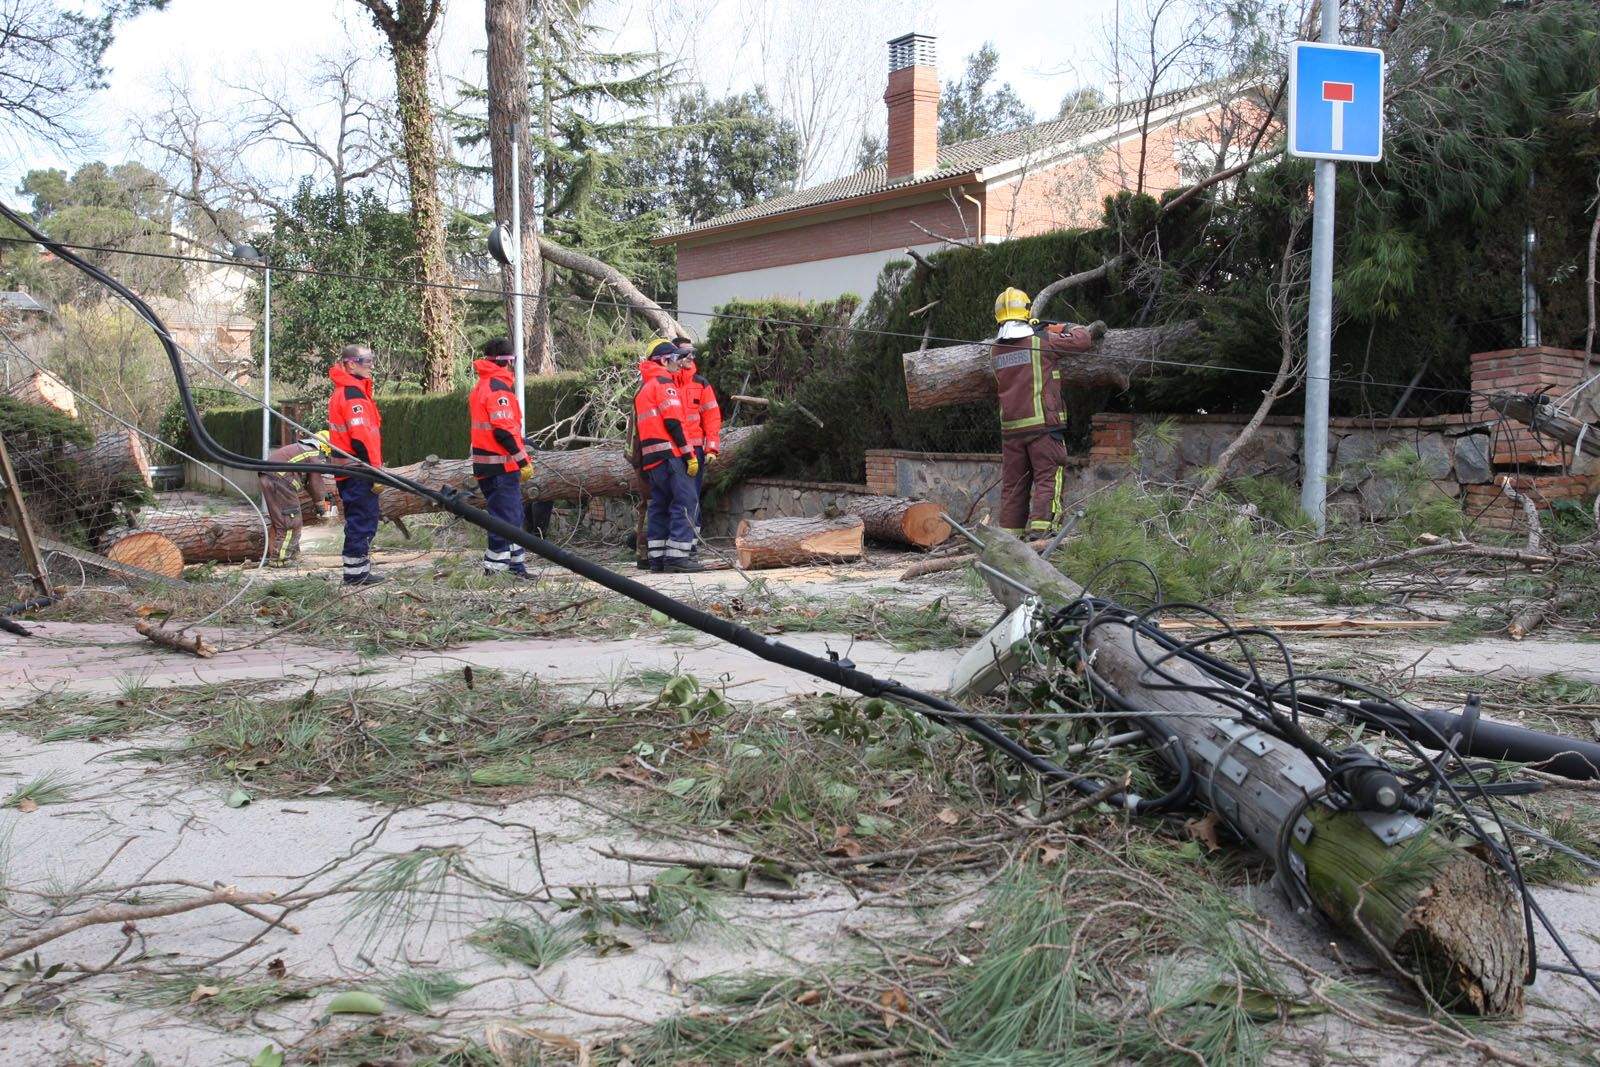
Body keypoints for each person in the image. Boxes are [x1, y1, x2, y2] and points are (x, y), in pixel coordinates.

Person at [990, 287, 1104, 537]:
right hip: (1043, 426)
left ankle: (1010, 538)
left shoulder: (995, 349)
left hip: (1011, 430)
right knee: (1048, 477)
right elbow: (1082, 339)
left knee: (1014, 485)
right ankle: (1042, 534)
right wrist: (1059, 326)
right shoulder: (1040, 341)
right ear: (1026, 311)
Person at [632, 339, 702, 572]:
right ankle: (677, 557)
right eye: (675, 359)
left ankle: (658, 558)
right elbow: (673, 422)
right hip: (671, 456)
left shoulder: (644, 388)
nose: (679, 363)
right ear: (663, 360)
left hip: (653, 460)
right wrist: (689, 455)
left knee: (659, 505)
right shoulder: (664, 384)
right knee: (685, 502)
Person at [470, 336, 536, 578]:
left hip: (490, 466)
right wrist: (523, 460)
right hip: (500, 467)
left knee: (512, 517)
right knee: (503, 519)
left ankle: (516, 567)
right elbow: (503, 431)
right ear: (509, 361)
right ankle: (496, 571)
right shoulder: (498, 389)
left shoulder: (483, 386)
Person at [327, 343, 385, 586]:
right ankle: (356, 574)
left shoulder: (351, 391)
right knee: (362, 519)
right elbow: (361, 437)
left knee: (361, 518)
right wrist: (374, 470)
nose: (371, 364)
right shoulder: (351, 394)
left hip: (352, 470)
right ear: (351, 363)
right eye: (366, 360)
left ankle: (357, 570)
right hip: (357, 470)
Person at [671, 336, 721, 554]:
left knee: (691, 496)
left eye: (693, 353)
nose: (691, 357)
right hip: (672, 451)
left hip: (696, 450)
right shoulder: (666, 381)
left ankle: (691, 544)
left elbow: (712, 417)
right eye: (686, 353)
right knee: (676, 497)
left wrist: (711, 447)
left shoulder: (701, 383)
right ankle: (676, 545)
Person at [259, 430, 336, 567]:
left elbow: (310, 483)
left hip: (270, 477)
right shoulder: (313, 453)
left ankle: (280, 555)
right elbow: (316, 484)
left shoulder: (300, 450)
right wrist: (325, 509)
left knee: (279, 521)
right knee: (291, 521)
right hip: (281, 479)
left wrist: (322, 502)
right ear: (326, 448)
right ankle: (281, 560)